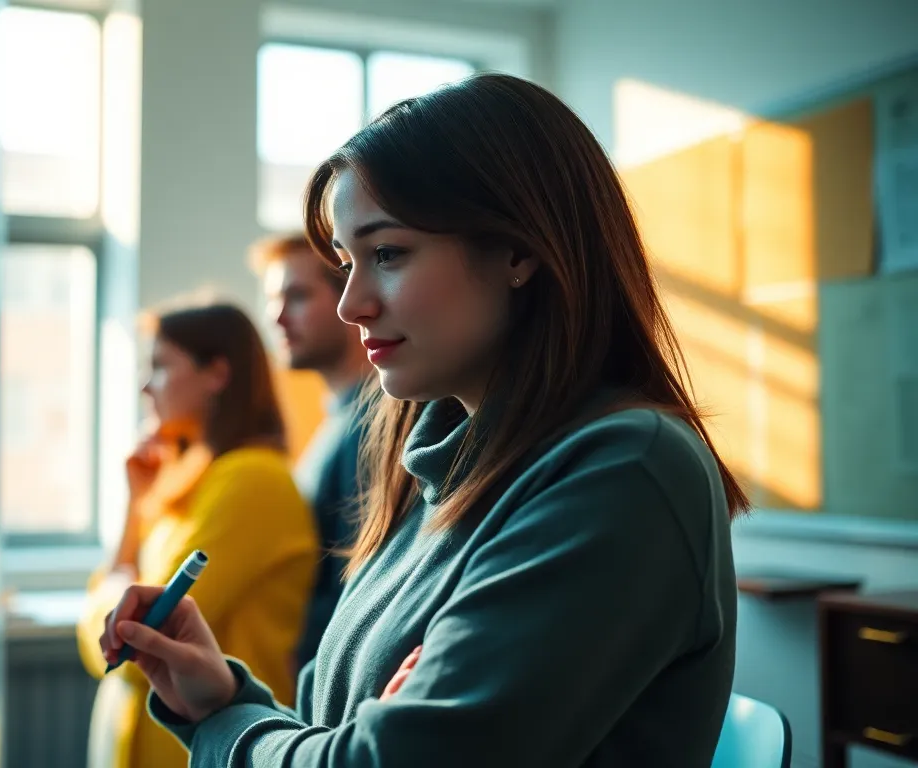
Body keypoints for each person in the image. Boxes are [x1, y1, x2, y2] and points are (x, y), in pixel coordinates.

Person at [97, 73, 748, 767]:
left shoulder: (624, 471)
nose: (352, 305)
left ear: (519, 251)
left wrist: (237, 735)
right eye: (347, 262)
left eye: (387, 254)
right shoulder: (436, 464)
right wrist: (222, 699)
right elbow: (338, 728)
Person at [76, 302, 319, 768]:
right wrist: (135, 507)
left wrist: (99, 605)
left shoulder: (251, 481)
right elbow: (115, 629)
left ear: (216, 374)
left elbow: (128, 650)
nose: (147, 386)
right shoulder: (195, 485)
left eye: (162, 366)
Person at [252, 233, 371, 671]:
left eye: (297, 296)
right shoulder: (339, 419)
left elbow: (359, 584)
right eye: (271, 299)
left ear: (351, 299)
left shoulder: (374, 427)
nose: (276, 317)